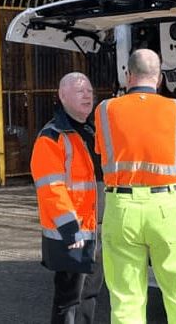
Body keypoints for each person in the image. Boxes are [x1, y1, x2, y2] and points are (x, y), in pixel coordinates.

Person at [94, 48, 176, 324]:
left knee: (126, 297)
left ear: (128, 75)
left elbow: (102, 152)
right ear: (160, 78)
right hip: (167, 207)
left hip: (121, 208)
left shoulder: (106, 110)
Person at [30, 72, 104, 324]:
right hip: (72, 234)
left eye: (89, 90)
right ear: (62, 96)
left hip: (95, 232)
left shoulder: (92, 132)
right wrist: (70, 228)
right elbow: (51, 188)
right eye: (79, 90)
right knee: (69, 301)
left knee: (88, 297)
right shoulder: (52, 137)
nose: (87, 94)